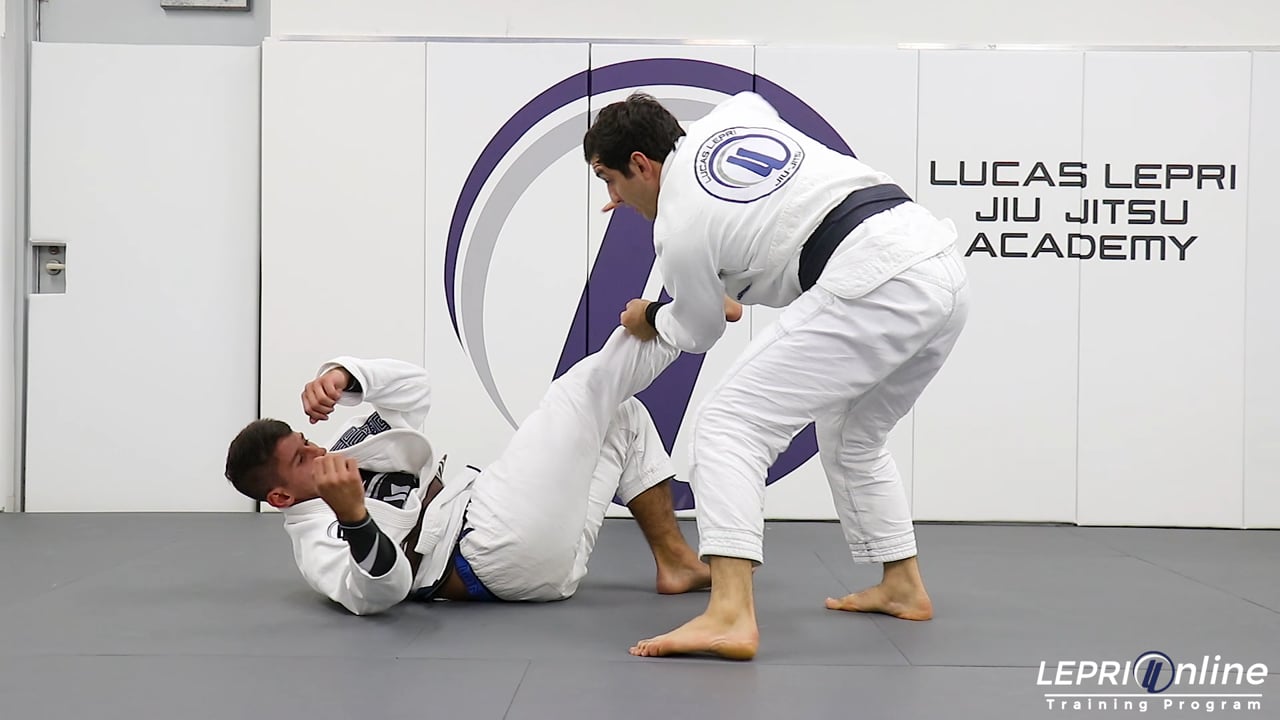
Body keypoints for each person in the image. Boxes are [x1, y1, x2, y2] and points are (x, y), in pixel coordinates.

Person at [583, 91, 970, 660]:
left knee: (728, 424)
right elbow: (753, 100)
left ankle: (729, 614)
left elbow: (698, 332)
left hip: (876, 276)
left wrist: (652, 315)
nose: (612, 199)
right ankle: (902, 585)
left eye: (610, 180)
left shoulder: (678, 225)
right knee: (853, 436)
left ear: (641, 164)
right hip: (938, 263)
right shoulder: (733, 117)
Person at [223, 326, 715, 615]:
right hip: (482, 550)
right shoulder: (317, 541)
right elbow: (382, 593)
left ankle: (675, 563)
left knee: (623, 418)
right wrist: (355, 517)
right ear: (281, 497)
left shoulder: (349, 446)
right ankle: (685, 320)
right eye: (300, 459)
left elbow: (414, 389)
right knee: (578, 393)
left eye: (305, 441)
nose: (316, 451)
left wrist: (345, 376)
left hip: (524, 550)